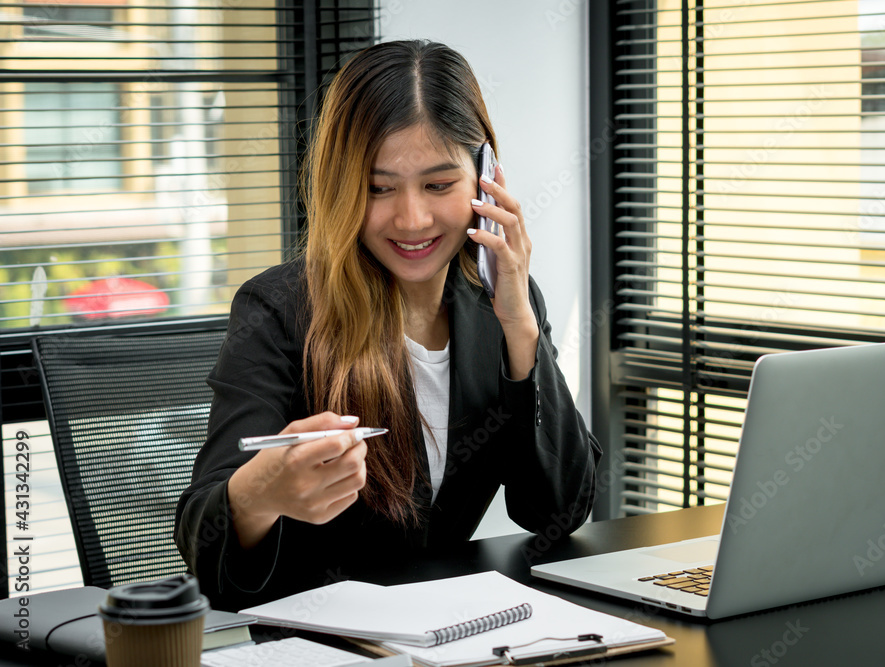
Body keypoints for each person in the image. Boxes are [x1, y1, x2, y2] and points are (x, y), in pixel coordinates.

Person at [174, 39, 601, 610]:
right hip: (315, 643)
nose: (412, 218)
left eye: (438, 184)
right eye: (379, 188)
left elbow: (560, 512)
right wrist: (260, 492)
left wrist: (520, 324)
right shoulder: (279, 310)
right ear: (341, 186)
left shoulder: (502, 305)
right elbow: (205, 547)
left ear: (485, 177)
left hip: (448, 631)